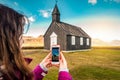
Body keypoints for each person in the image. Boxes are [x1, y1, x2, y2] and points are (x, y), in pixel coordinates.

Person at [0, 4, 72, 80]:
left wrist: (42, 67)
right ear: (6, 39)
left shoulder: (6, 72)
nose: (23, 41)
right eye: (20, 34)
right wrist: (64, 71)